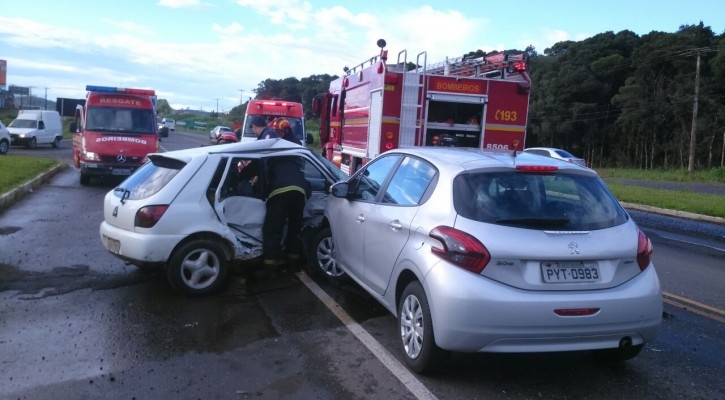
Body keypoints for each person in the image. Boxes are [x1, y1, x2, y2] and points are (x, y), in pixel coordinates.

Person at [258, 155, 309, 277]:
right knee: (294, 230)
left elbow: (264, 185)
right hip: (300, 192)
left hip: (280, 192)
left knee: (272, 230)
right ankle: (293, 263)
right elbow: (308, 186)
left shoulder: (270, 160)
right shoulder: (293, 161)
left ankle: (270, 268)